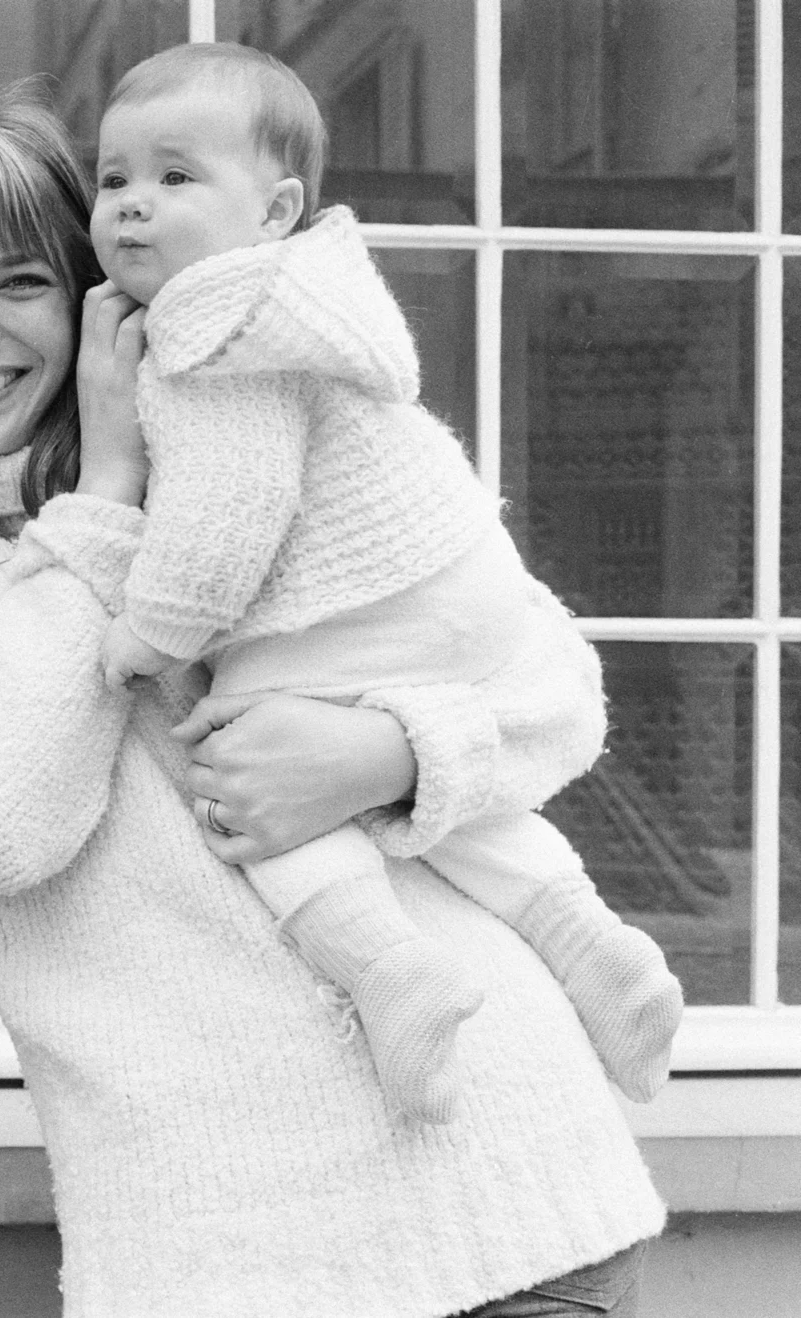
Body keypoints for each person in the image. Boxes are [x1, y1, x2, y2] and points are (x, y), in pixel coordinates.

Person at [0, 88, 664, 1316]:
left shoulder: (245, 414)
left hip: (514, 1177)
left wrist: (384, 754)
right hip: (231, 1254)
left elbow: (555, 686)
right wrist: (106, 495)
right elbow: (1, 822)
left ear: (94, 293)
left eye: (22, 283)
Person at [86, 43, 682, 1123]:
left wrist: (149, 634)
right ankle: (596, 947)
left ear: (275, 211)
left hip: (361, 604)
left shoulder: (215, 326)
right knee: (449, 807)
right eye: (113, 177)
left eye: (175, 177)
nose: (132, 204)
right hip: (457, 587)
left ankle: (387, 972)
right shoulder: (309, 301)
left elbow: (228, 517)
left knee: (243, 778)